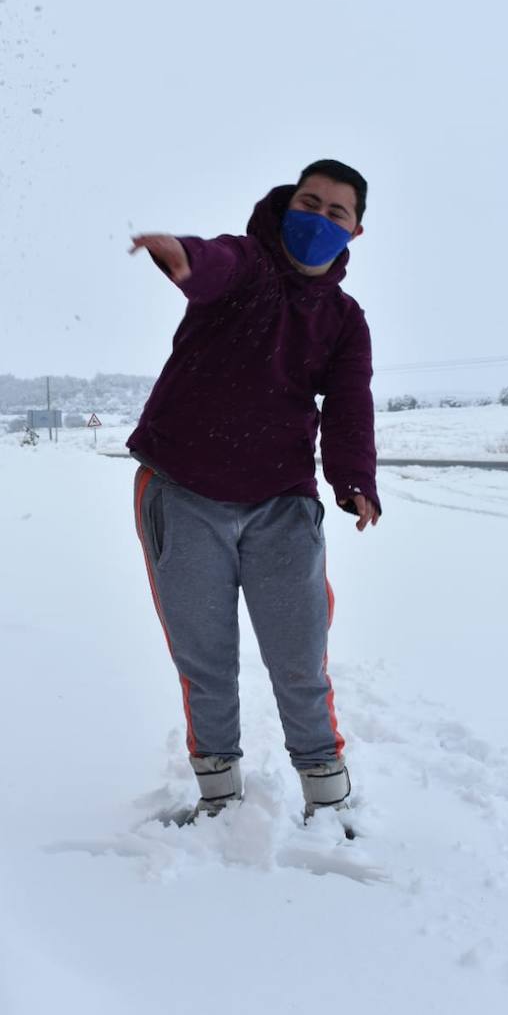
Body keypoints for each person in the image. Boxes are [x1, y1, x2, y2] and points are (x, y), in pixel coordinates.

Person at [128, 160, 380, 824]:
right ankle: (219, 800)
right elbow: (213, 264)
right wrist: (180, 255)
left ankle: (328, 804)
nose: (319, 218)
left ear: (356, 229)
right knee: (205, 660)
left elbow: (349, 402)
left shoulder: (344, 320)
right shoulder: (249, 265)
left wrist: (353, 480)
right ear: (286, 203)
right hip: (182, 491)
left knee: (300, 660)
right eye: (310, 202)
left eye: (336, 212)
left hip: (282, 502)